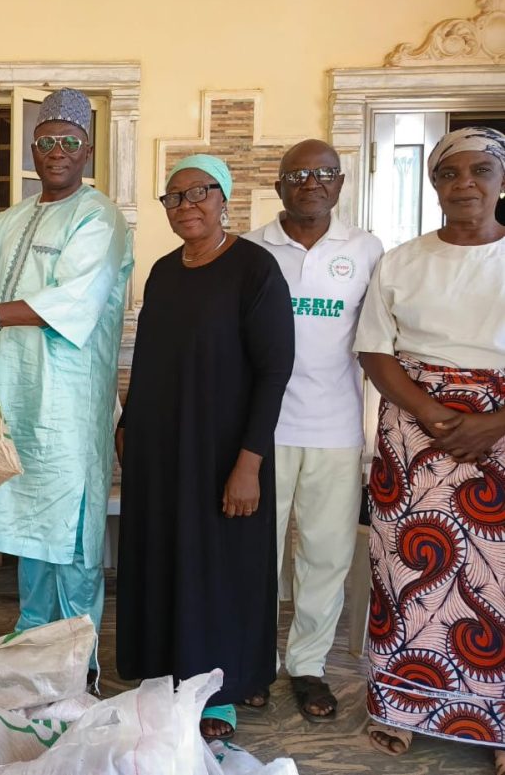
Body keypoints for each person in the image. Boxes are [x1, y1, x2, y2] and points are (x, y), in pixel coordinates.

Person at [0, 88, 133, 674]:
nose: (57, 151)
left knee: (68, 528)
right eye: (46, 141)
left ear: (87, 151)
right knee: (28, 525)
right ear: (33, 148)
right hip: (15, 395)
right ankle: (30, 656)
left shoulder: (99, 217)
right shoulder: (12, 218)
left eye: (69, 142)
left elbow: (76, 299)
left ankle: (75, 664)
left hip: (68, 401)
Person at [115, 154, 294, 741]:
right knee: (166, 556)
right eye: (175, 196)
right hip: (161, 447)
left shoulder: (255, 269)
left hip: (223, 451)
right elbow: (151, 358)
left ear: (224, 199)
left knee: (220, 566)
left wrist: (249, 463)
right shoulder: (164, 272)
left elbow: (274, 372)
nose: (187, 204)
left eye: (200, 192)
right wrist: (128, 422)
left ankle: (220, 692)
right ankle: (166, 672)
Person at [354, 127, 505, 774]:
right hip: (415, 434)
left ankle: (498, 724)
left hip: (501, 434)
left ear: (502, 180)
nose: (464, 183)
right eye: (449, 173)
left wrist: (493, 422)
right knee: (408, 571)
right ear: (433, 184)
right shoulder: (401, 261)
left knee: (497, 581)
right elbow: (374, 349)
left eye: (480, 170)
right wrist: (432, 412)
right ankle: (403, 706)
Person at [245, 140, 383, 722]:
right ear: (279, 185)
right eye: (298, 174)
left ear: (340, 183)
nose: (312, 183)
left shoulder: (367, 249)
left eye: (324, 173)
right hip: (264, 429)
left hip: (336, 428)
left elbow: (379, 339)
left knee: (326, 555)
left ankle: (307, 665)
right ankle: (252, 660)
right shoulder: (252, 248)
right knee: (256, 555)